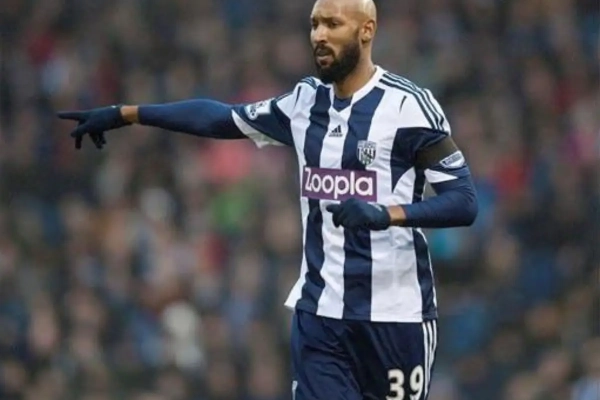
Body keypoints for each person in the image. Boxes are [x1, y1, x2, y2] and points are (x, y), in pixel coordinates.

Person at [57, 0, 478, 398]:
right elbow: (219, 118)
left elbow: (463, 201)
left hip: (396, 317)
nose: (319, 35)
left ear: (366, 30)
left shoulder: (408, 106)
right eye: (314, 24)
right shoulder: (305, 101)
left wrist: (386, 214)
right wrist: (127, 113)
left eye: (333, 24)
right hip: (320, 315)